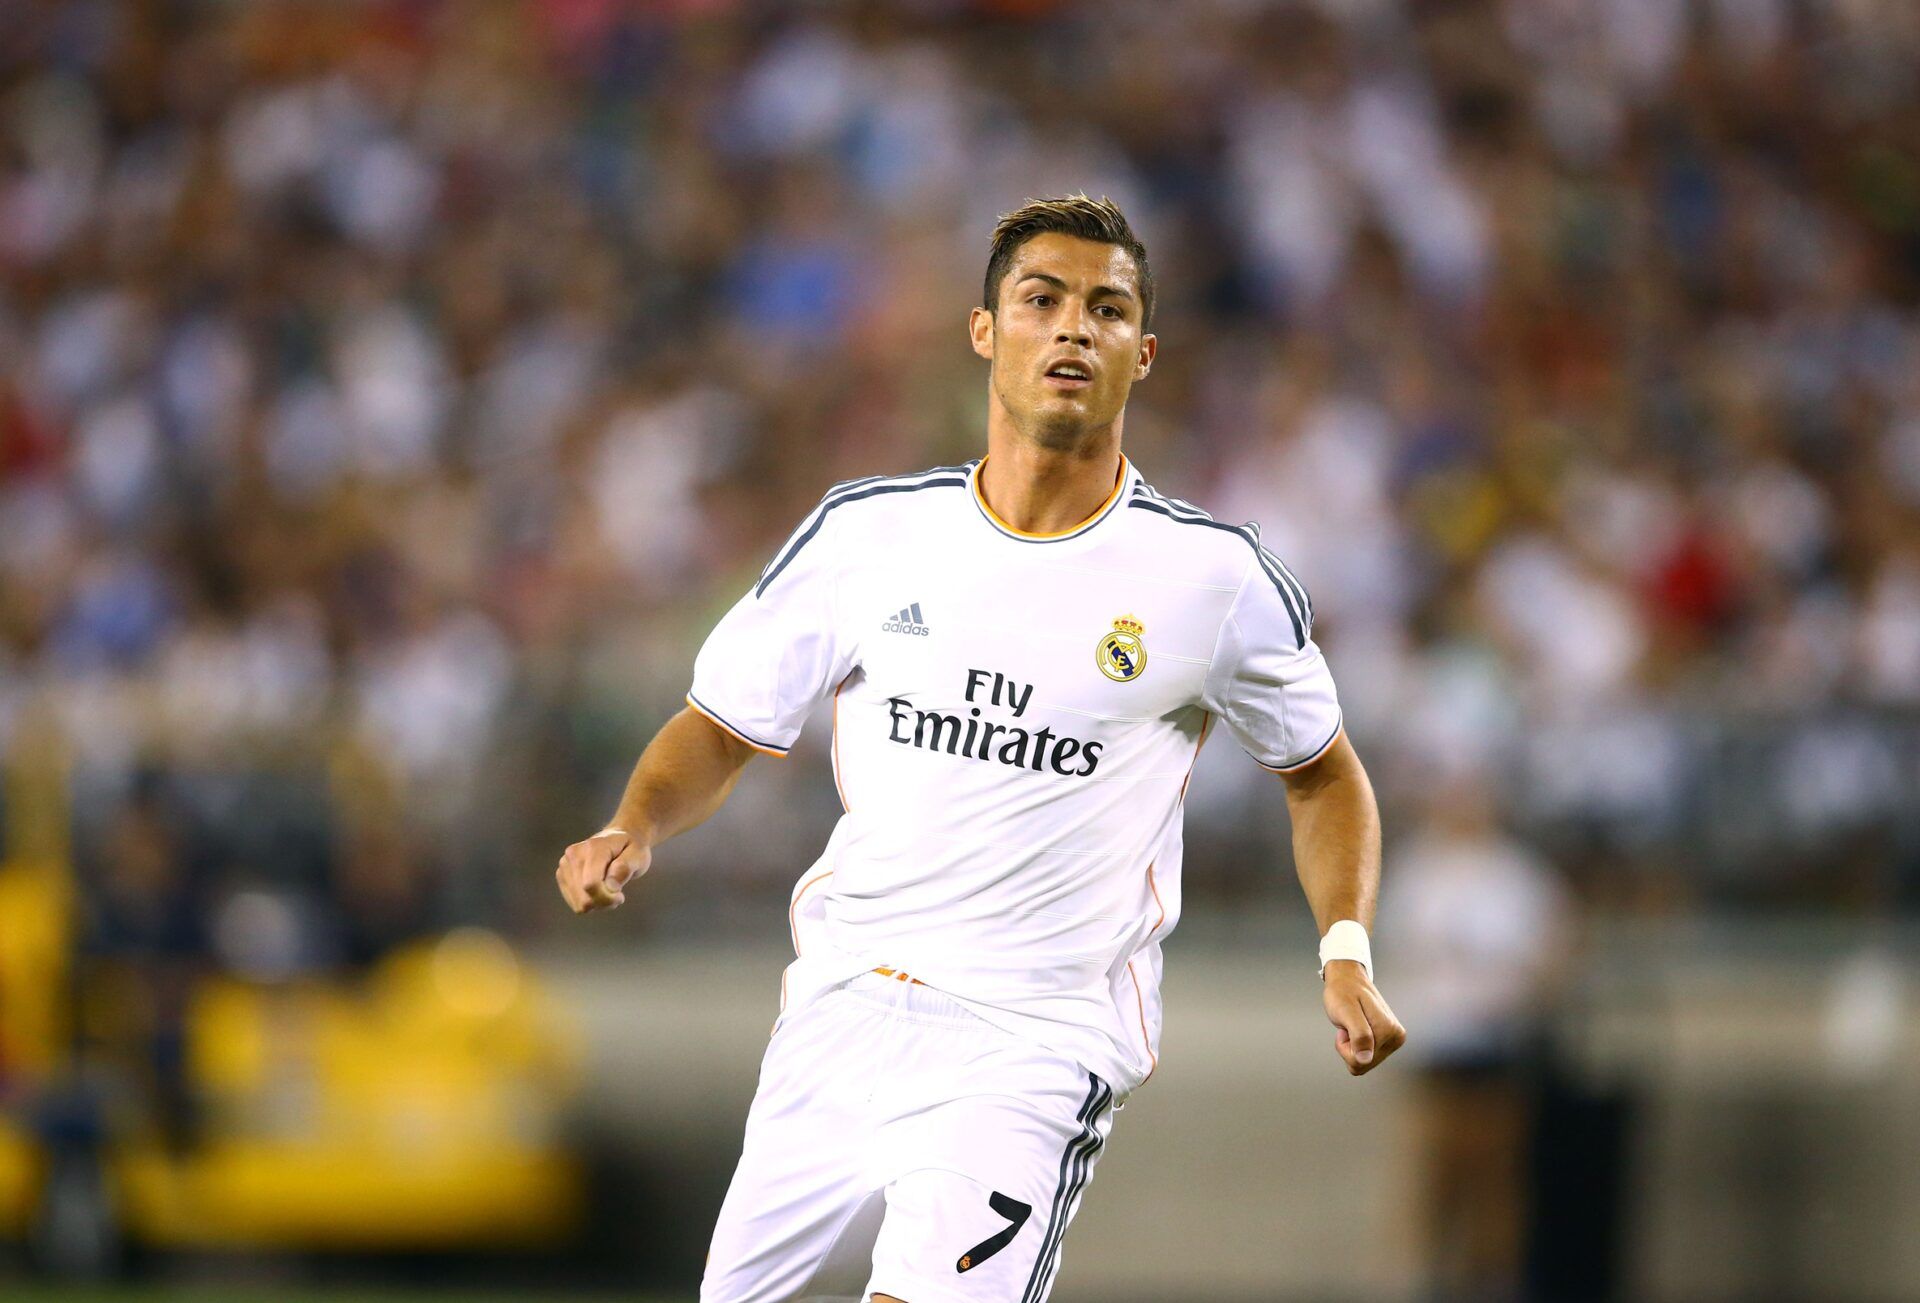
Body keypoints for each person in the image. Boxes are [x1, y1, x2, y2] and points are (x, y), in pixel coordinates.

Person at [554, 195, 1406, 1303]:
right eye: (1041, 300)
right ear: (985, 331)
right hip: (840, 1003)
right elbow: (721, 725)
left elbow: (1324, 773)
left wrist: (1345, 943)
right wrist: (634, 824)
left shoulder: (1214, 578)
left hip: (1034, 1039)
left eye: (1105, 310)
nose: (1071, 329)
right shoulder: (868, 534)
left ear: (1140, 355)